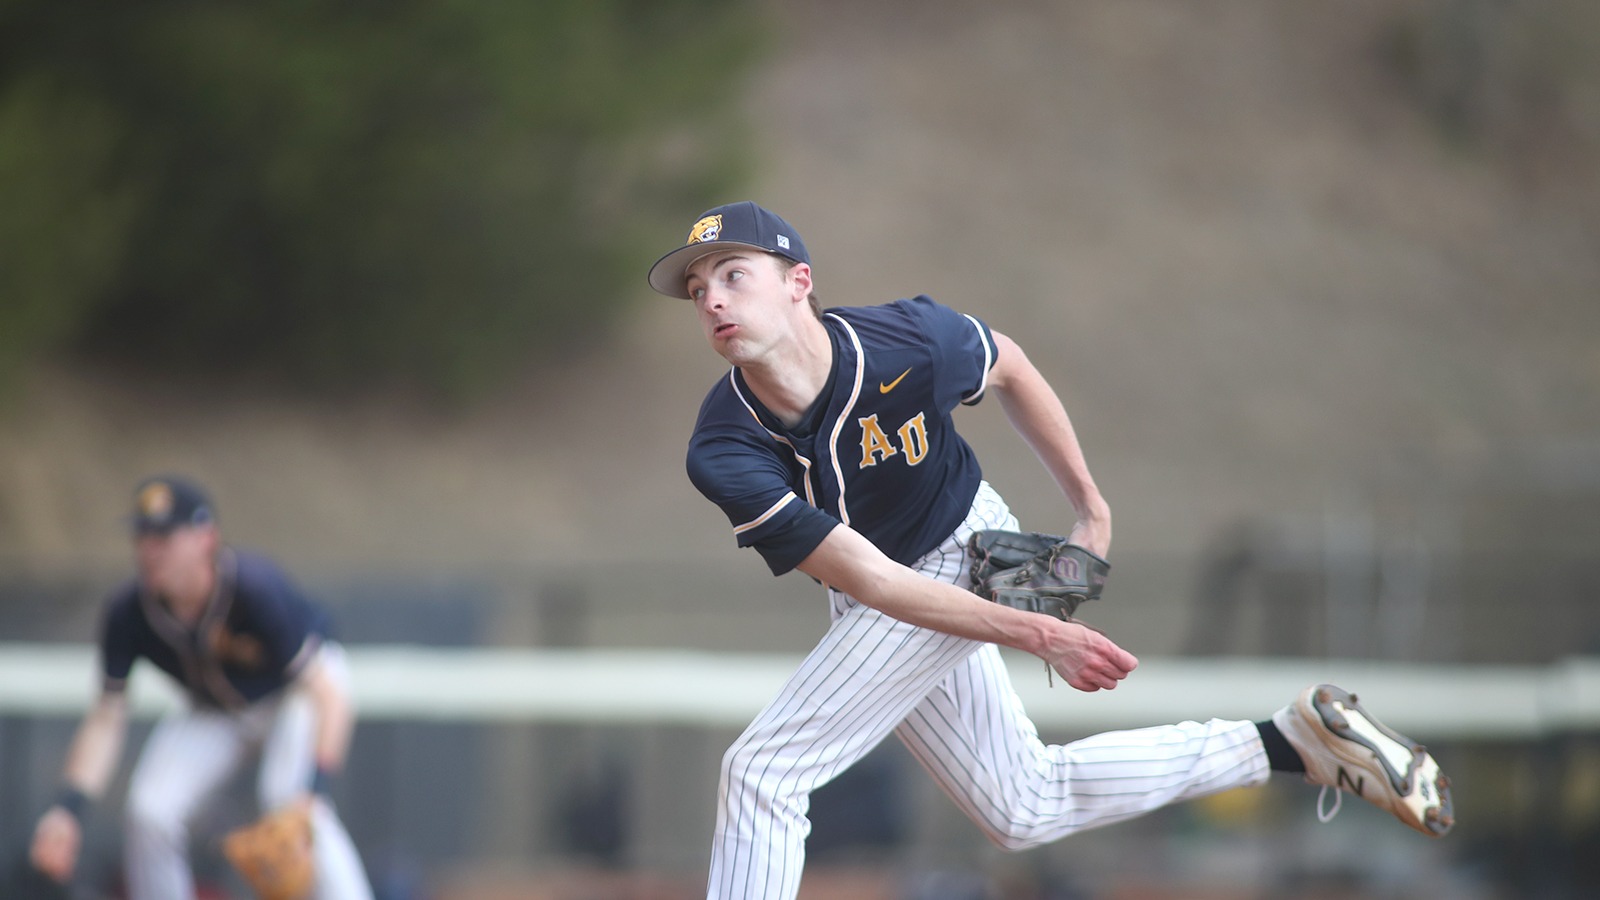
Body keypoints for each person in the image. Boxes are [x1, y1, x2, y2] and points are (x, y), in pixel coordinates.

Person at [646, 201, 1455, 898]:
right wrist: (1039, 629)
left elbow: (1011, 365)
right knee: (1021, 805)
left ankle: (1294, 739)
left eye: (732, 274)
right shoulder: (723, 447)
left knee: (763, 772)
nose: (711, 298)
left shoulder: (905, 340)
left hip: (966, 544)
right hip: (886, 589)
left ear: (798, 282)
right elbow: (870, 580)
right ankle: (1290, 741)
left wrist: (1090, 508)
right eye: (697, 288)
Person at [28, 475, 374, 899]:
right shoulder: (128, 613)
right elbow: (106, 717)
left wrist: (315, 791)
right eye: (142, 537)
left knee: (291, 806)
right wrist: (68, 810)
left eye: (164, 537)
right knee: (150, 811)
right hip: (216, 709)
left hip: (296, 695)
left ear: (205, 538)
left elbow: (328, 694)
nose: (149, 551)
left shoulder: (253, 587)